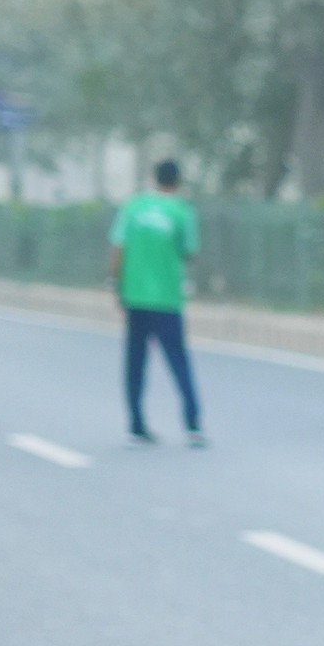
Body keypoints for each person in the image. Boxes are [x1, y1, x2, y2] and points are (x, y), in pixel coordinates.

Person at [107, 160, 205, 449]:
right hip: (167, 298)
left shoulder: (133, 207)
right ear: (178, 181)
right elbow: (189, 252)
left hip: (135, 295)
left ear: (154, 178)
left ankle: (136, 426)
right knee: (178, 360)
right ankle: (193, 425)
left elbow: (117, 248)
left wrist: (116, 284)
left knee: (135, 361)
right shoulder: (182, 212)